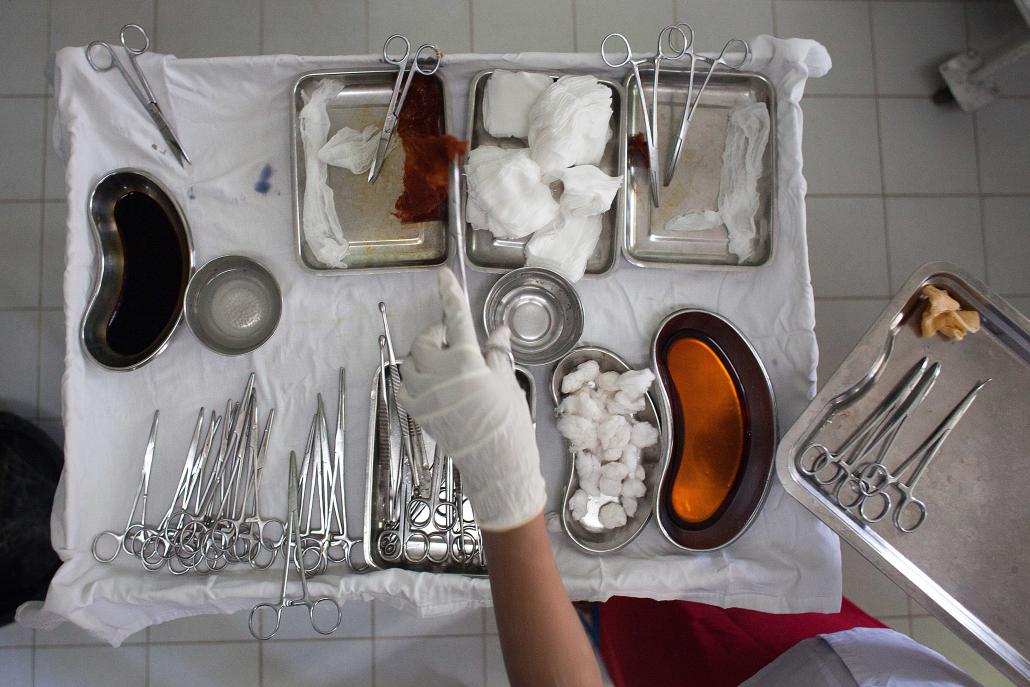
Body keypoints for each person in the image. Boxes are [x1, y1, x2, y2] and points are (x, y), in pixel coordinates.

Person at [399, 269, 985, 687]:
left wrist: (506, 500)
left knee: (630, 618)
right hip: (844, 650)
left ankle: (595, 610)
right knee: (675, 591)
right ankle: (595, 605)